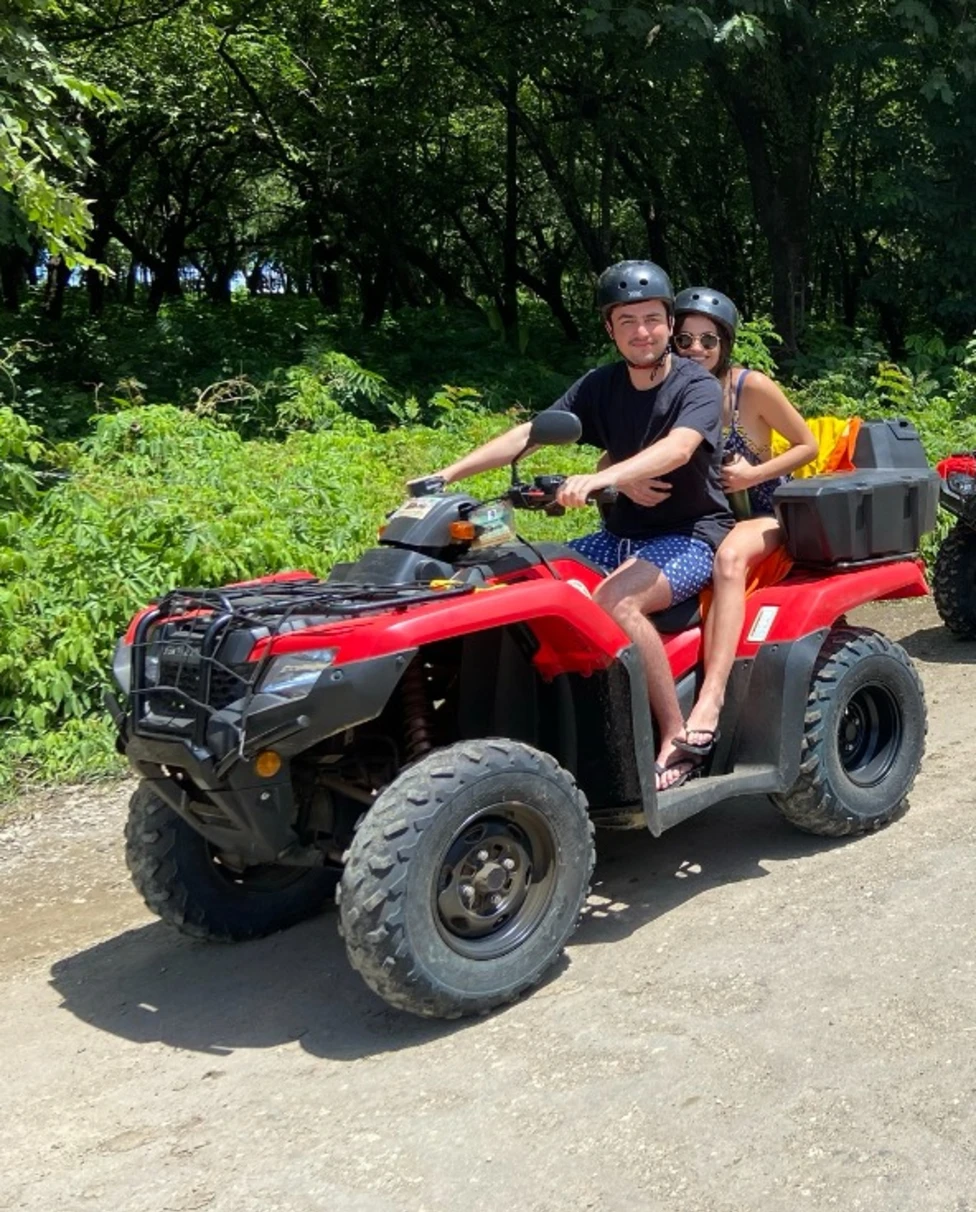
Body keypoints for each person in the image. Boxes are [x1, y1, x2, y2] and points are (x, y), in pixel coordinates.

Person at [421, 261, 734, 791]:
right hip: (618, 536)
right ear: (609, 329)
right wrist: (446, 474)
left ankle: (678, 738)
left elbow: (677, 449)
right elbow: (532, 432)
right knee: (520, 577)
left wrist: (599, 480)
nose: (642, 331)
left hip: (692, 536)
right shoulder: (601, 385)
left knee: (618, 601)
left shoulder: (696, 385)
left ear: (668, 323)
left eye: (653, 318)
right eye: (627, 320)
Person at [670, 287, 818, 763]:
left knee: (729, 558)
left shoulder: (748, 387)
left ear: (725, 343)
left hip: (765, 512)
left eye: (707, 341)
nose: (696, 350)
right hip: (705, 515)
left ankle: (712, 698)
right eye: (685, 340)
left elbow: (806, 445)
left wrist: (753, 472)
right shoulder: (669, 388)